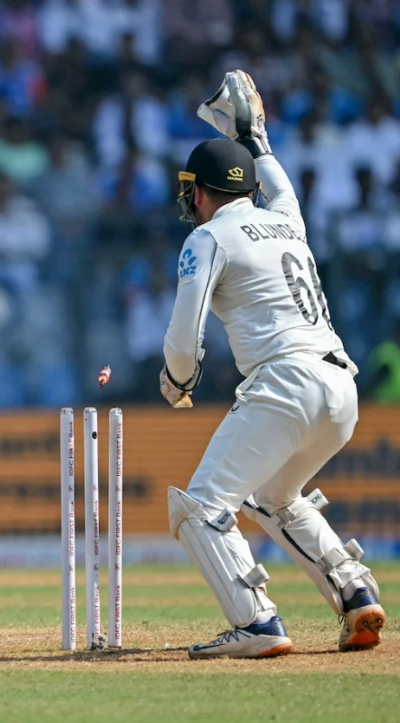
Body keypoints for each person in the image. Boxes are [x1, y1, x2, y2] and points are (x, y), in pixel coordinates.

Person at [161, 71, 384, 659]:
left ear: (203, 192)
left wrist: (178, 378)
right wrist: (255, 134)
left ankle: (257, 623)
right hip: (341, 389)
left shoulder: (208, 239)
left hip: (284, 384)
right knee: (273, 495)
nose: (190, 202)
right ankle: (355, 591)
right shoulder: (288, 217)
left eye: (192, 190)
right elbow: (275, 178)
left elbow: (184, 339)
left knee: (201, 507)